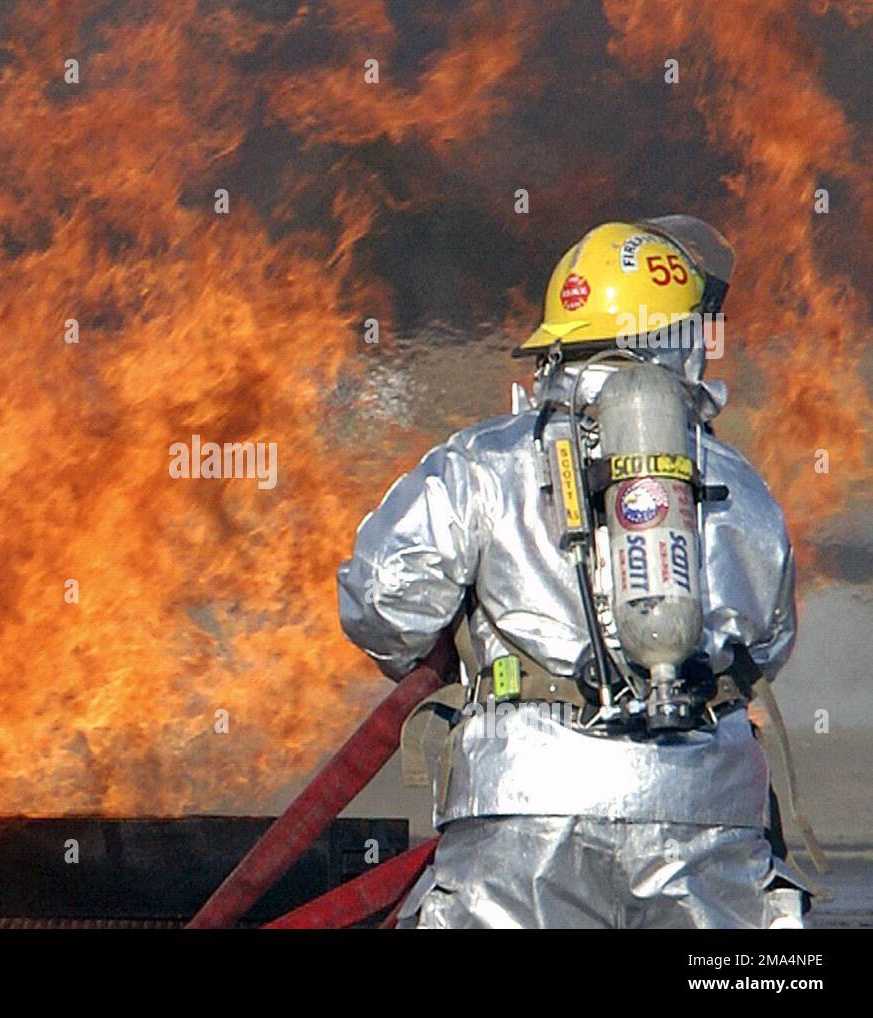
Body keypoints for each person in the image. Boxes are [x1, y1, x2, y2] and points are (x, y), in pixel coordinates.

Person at [338, 218, 813, 928]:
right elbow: (769, 643)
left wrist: (466, 652)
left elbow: (380, 604)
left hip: (526, 806)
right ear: (681, 342)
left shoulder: (484, 463)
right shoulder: (740, 487)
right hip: (706, 817)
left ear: (560, 343)